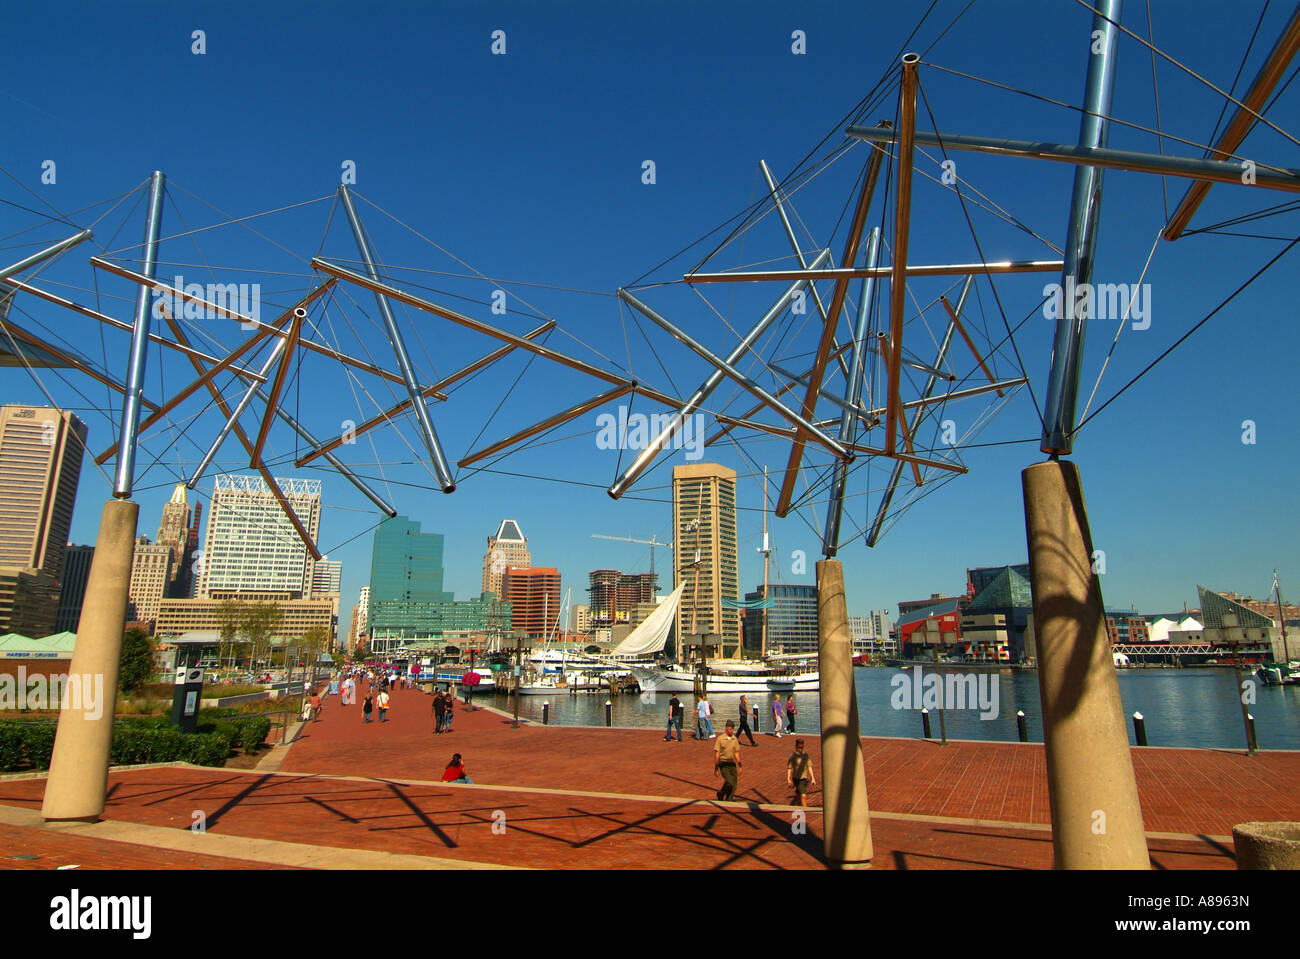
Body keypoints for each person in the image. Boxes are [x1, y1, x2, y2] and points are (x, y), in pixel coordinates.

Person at [713, 721, 742, 801]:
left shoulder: (734, 739)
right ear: (726, 728)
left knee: (734, 783)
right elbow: (717, 753)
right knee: (729, 781)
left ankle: (729, 798)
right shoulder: (720, 739)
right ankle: (721, 793)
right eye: (730, 729)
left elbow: (736, 753)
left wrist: (740, 765)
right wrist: (716, 768)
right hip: (723, 763)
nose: (731, 731)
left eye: (732, 729)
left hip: (731, 763)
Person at [786, 738, 816, 807]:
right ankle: (802, 809)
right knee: (800, 796)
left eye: (802, 747)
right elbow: (789, 768)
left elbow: (809, 766)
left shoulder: (806, 756)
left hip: (803, 779)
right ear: (796, 747)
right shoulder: (793, 757)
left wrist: (813, 778)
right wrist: (788, 779)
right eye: (799, 747)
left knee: (802, 796)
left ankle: (804, 810)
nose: (800, 749)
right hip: (796, 778)